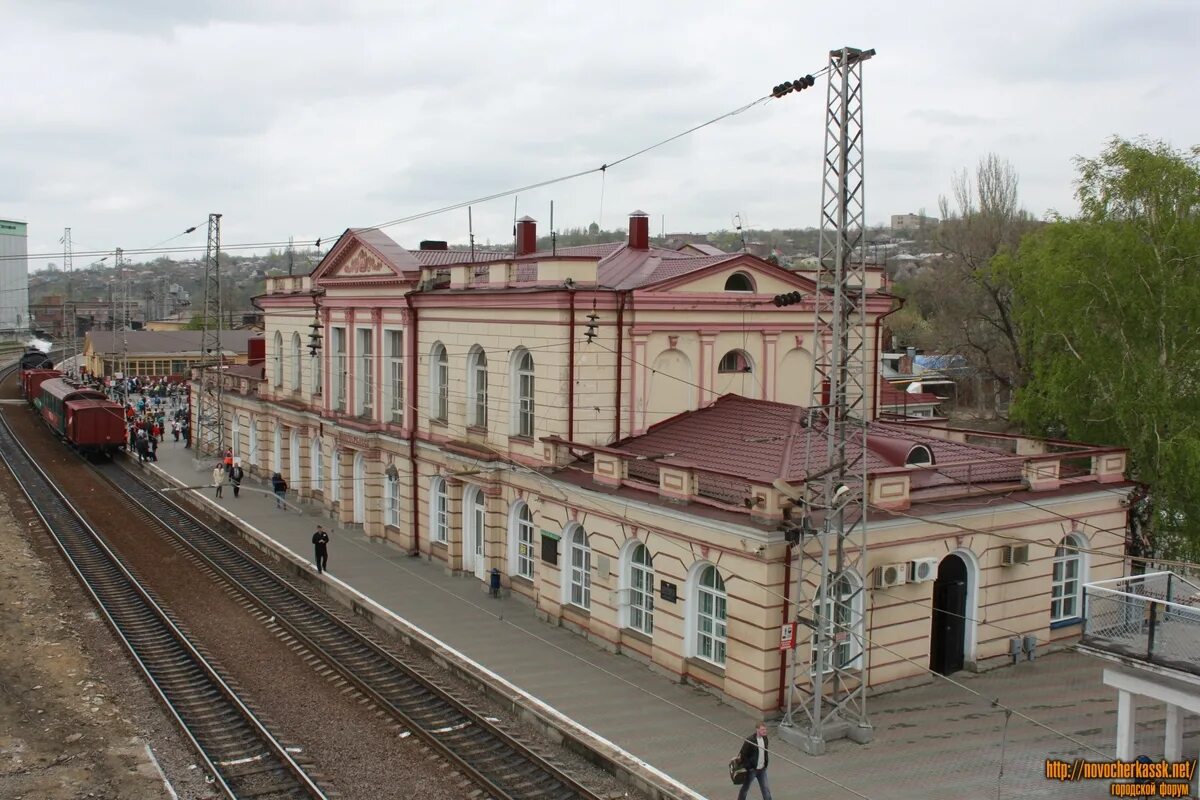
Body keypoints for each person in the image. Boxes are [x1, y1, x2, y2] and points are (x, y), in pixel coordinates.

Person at [736, 722, 772, 800]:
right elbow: (743, 754)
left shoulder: (765, 738)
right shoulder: (750, 740)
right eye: (762, 730)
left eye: (765, 729)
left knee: (766, 789)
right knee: (745, 788)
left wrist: (765, 764)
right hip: (752, 770)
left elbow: (765, 752)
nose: (765, 731)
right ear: (757, 730)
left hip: (762, 769)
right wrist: (749, 766)